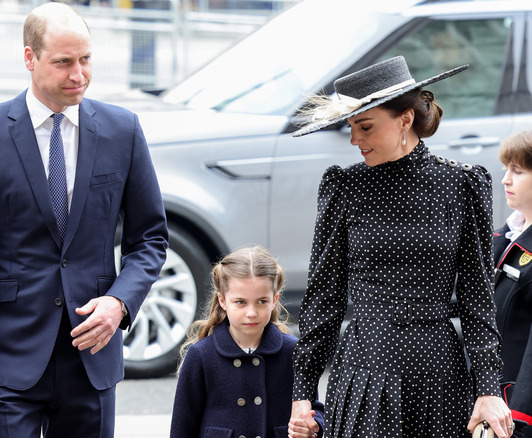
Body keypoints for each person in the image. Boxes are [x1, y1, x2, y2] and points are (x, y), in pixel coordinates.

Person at [0, 2, 169, 437]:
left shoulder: (123, 130)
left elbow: (150, 239)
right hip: (7, 354)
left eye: (85, 60)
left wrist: (120, 303)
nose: (78, 74)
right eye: (63, 62)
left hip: (91, 355)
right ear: (30, 58)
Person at [288, 56, 512, 438]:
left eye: (366, 127)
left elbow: (478, 295)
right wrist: (303, 393)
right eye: (351, 128)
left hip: (438, 376)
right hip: (364, 372)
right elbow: (324, 295)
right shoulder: (344, 187)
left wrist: (488, 388)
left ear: (405, 119)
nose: (355, 139)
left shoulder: (461, 185)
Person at [170, 246, 325, 438]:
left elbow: (314, 407)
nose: (251, 313)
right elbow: (182, 425)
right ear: (223, 301)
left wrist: (313, 425)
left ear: (274, 300)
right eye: (240, 302)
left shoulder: (292, 351)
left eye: (261, 301)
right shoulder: (201, 355)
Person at [492, 130, 532, 437]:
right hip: (492, 394)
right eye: (507, 169)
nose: (506, 179)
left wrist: (521, 416)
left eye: (517, 171)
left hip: (516, 405)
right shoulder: (507, 234)